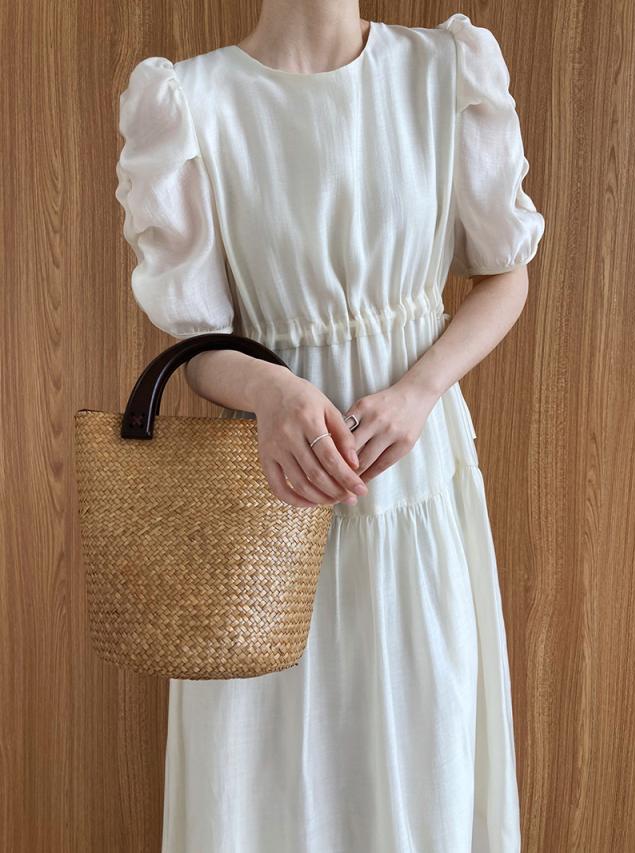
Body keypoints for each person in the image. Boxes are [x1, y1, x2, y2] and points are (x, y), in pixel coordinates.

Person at [115, 2, 545, 850]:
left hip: (414, 496)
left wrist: (421, 388)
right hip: (267, 512)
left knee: (422, 765)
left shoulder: (442, 72)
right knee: (263, 788)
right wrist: (273, 390)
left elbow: (508, 274)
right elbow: (198, 343)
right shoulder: (193, 102)